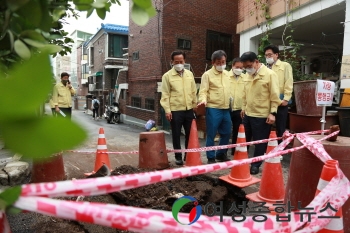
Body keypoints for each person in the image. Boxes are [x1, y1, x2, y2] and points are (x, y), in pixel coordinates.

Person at [240, 51, 280, 174]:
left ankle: (256, 164)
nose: (247, 69)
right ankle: (241, 162)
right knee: (244, 140)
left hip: (262, 115)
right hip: (248, 113)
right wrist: (243, 107)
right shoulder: (247, 75)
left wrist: (273, 112)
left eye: (249, 66)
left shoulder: (270, 75)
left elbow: (275, 95)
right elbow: (244, 93)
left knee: (260, 141)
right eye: (245, 67)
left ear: (256, 62)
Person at [160, 51, 197, 166]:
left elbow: (193, 91)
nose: (179, 64)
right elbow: (165, 95)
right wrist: (167, 110)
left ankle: (187, 154)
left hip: (189, 109)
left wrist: (195, 105)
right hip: (175, 110)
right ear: (172, 62)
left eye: (181, 61)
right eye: (176, 62)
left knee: (189, 134)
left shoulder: (189, 74)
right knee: (176, 134)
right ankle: (178, 156)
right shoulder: (167, 76)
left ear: (184, 61)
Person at [198, 50, 232, 164]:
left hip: (226, 108)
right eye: (219, 62)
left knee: (226, 133)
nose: (221, 64)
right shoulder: (207, 75)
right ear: (213, 62)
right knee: (211, 133)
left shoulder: (228, 74)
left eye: (223, 62)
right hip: (213, 108)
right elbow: (203, 91)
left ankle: (221, 154)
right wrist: (203, 101)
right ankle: (211, 157)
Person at [264, 45, 293, 144]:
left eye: (270, 55)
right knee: (267, 124)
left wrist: (286, 99)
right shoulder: (265, 68)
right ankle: (267, 148)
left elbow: (289, 82)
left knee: (281, 125)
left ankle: (280, 149)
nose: (268, 57)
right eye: (266, 55)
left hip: (281, 100)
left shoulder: (285, 65)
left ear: (276, 55)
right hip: (268, 101)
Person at [228, 58, 249, 156]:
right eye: (237, 67)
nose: (239, 69)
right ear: (232, 66)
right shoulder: (225, 76)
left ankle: (234, 151)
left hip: (239, 109)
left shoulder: (245, 77)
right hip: (227, 108)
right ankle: (222, 153)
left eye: (241, 68)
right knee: (226, 131)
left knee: (237, 130)